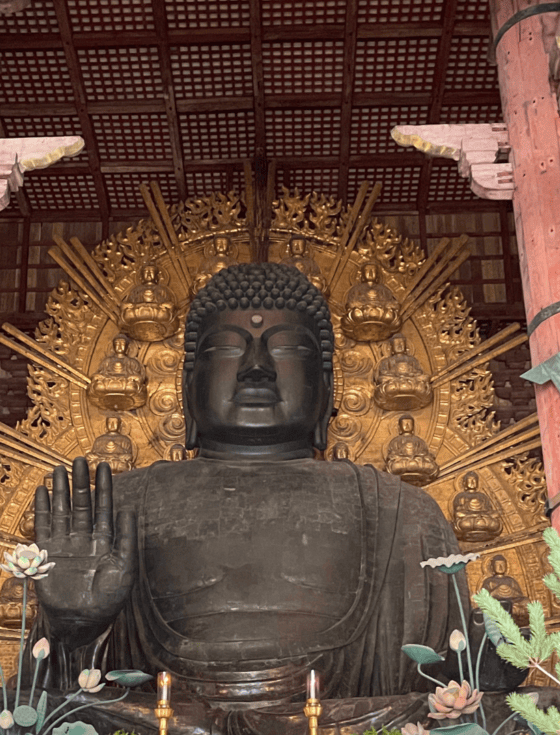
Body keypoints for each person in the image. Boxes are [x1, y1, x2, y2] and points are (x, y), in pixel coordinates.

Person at [30, 263, 462, 710]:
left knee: (510, 721)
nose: (257, 368)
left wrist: (498, 662)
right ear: (187, 386)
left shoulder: (401, 512)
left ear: (329, 387)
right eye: (227, 350)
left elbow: (448, 686)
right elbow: (42, 700)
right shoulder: (115, 509)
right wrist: (73, 628)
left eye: (289, 349)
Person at [373, 333, 432, 411]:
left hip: (410, 380)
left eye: (402, 343)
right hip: (393, 381)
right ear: (391, 348)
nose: (399, 345)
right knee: (382, 379)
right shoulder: (386, 361)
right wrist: (395, 373)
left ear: (406, 347)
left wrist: (412, 373)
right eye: (396, 344)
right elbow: (383, 373)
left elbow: (419, 372)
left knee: (425, 377)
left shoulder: (412, 360)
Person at [384, 414, 439, 486]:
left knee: (431, 465)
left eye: (409, 424)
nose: (407, 426)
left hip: (417, 462)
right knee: (394, 466)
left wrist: (418, 458)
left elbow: (425, 454)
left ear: (413, 427)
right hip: (402, 463)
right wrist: (403, 458)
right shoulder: (395, 441)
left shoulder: (419, 441)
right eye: (404, 424)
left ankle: (413, 465)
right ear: (399, 427)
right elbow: (392, 456)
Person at [452, 471, 502, 542]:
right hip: (469, 519)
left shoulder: (482, 496)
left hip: (482, 518)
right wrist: (473, 514)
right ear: (464, 483)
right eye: (470, 480)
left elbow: (489, 509)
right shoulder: (461, 496)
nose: (472, 482)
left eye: (474, 480)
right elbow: (458, 511)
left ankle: (482, 524)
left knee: (495, 514)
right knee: (460, 518)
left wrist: (483, 514)